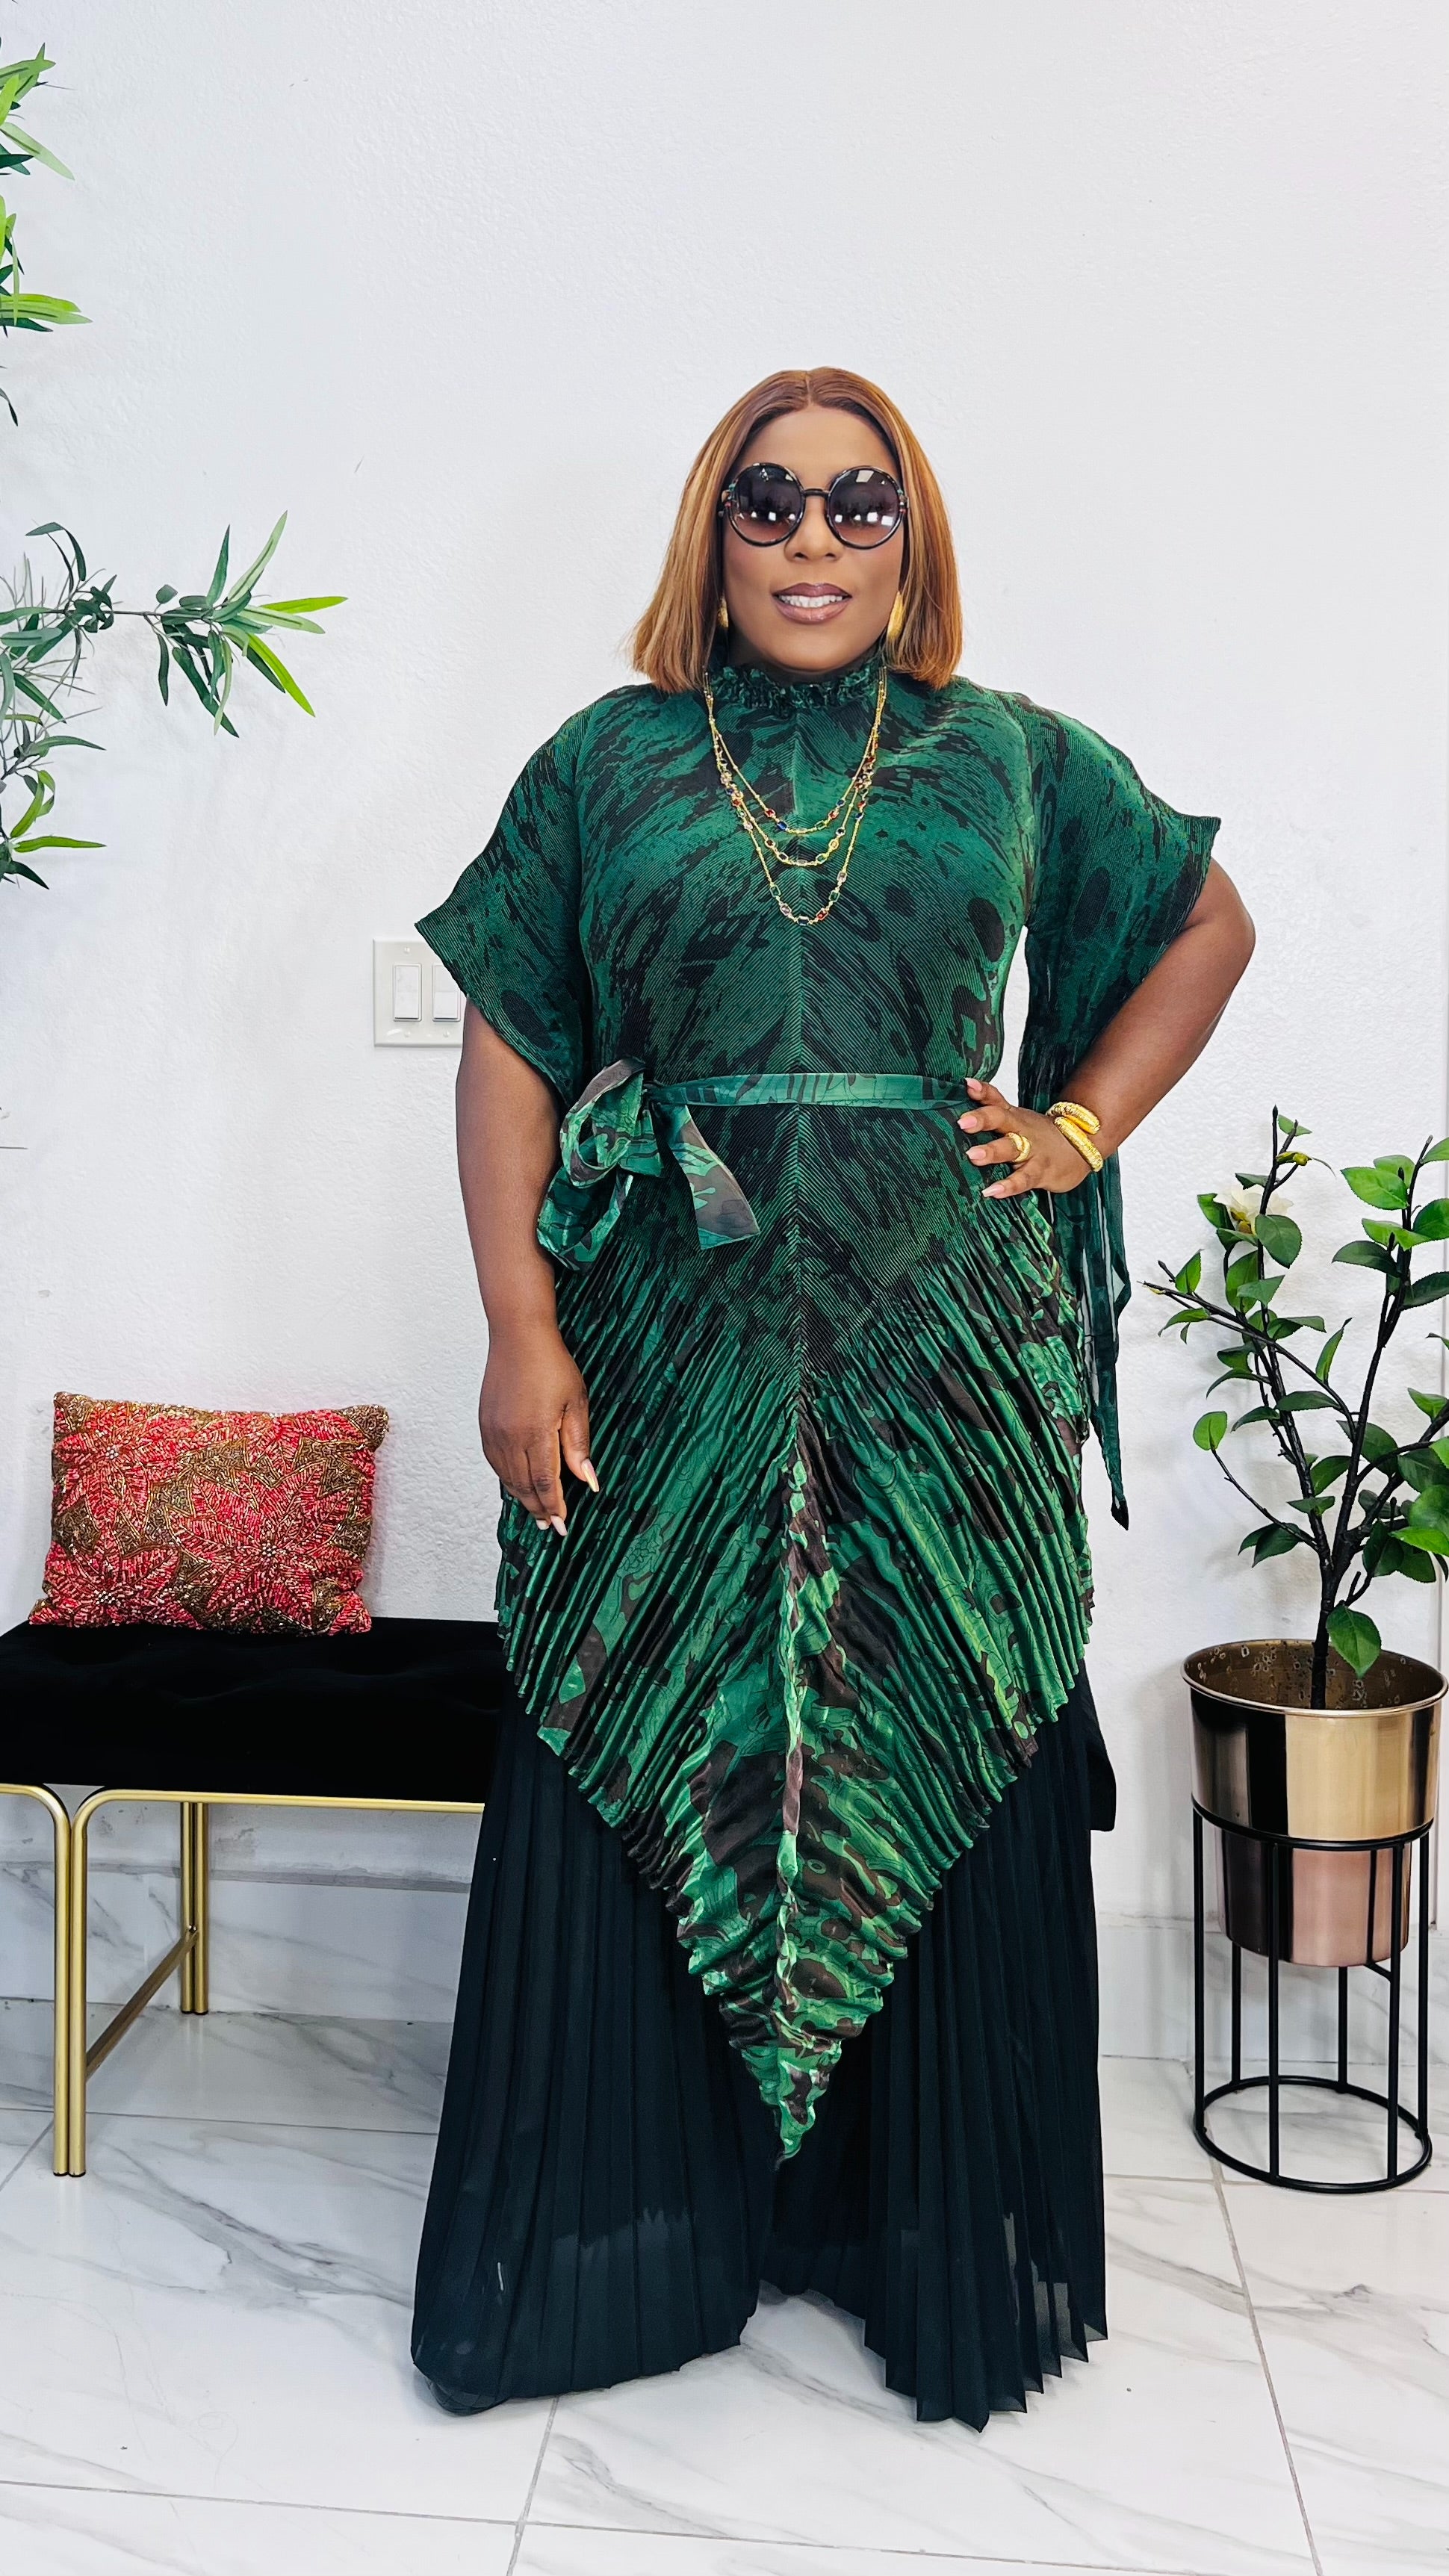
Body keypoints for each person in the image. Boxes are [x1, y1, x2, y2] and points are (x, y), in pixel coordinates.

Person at [411, 366, 1253, 2428]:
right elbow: (513, 1041)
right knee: (645, 1689)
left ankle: (904, 2231)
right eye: (768, 501)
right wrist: (519, 1323)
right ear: (712, 536)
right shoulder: (605, 760)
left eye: (857, 504)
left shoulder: (1008, 754)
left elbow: (1203, 923)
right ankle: (632, 2239)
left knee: (937, 1695)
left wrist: (1073, 1125)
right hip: (660, 1346)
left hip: (940, 1350)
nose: (810, 538)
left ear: (911, 539)